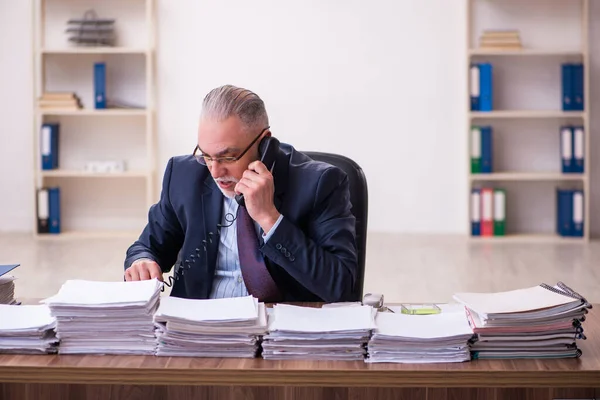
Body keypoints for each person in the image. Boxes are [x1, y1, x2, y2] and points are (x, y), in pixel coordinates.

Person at [123, 85, 357, 302]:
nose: (215, 171)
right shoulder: (183, 175)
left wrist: (270, 219)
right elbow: (147, 247)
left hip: (279, 331)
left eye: (228, 157)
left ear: (264, 143)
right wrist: (142, 261)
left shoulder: (321, 183)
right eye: (205, 155)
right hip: (199, 329)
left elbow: (341, 286)